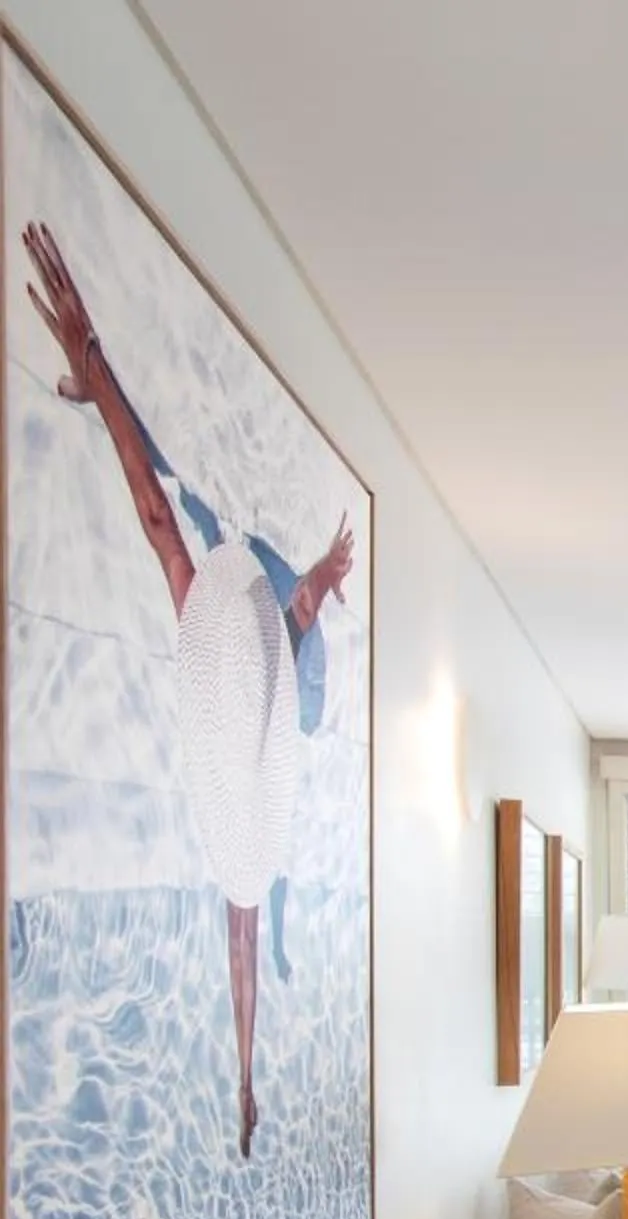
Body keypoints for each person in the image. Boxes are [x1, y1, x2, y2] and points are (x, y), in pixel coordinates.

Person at [22, 219, 353, 1157]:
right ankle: (97, 379)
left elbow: (157, 515)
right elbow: (275, 626)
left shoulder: (238, 821)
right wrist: (319, 585)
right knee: (168, 516)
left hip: (233, 650)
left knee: (167, 514)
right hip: (246, 648)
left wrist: (246, 1078)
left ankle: (97, 379)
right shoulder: (253, 806)